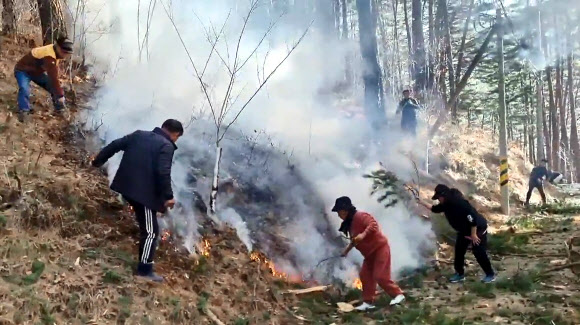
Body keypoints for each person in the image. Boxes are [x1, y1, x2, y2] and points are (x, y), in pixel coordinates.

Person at [91, 119, 184, 282]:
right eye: (177, 138)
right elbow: (163, 172)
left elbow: (114, 145)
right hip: (143, 195)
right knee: (150, 232)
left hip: (127, 187)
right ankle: (144, 271)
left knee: (148, 228)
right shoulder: (166, 146)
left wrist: (98, 161)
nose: (175, 141)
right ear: (174, 134)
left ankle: (144, 268)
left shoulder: (139, 135)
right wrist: (168, 196)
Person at [333, 196, 405, 311]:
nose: (338, 215)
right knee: (365, 276)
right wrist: (346, 251)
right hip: (369, 255)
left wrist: (363, 235)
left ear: (345, 210)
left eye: (339, 212)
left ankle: (398, 295)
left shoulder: (360, 216)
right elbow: (354, 240)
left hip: (380, 248)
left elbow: (373, 225)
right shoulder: (350, 224)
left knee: (380, 275)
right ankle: (368, 302)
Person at [417, 184, 496, 284]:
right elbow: (434, 209)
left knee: (478, 252)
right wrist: (421, 202)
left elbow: (473, 219)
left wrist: (474, 235)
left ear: (444, 196)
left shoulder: (460, 204)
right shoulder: (446, 204)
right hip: (464, 231)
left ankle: (490, 274)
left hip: (477, 230)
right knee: (459, 252)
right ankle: (459, 274)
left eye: (439, 198)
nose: (438, 200)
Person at [14, 36, 74, 122]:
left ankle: (59, 109)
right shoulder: (49, 56)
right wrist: (60, 95)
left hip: (36, 72)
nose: (65, 55)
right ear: (58, 47)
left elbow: (53, 75)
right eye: (64, 52)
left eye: (67, 53)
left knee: (51, 86)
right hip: (22, 71)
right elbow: (53, 78)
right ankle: (24, 111)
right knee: (24, 89)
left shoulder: (55, 52)